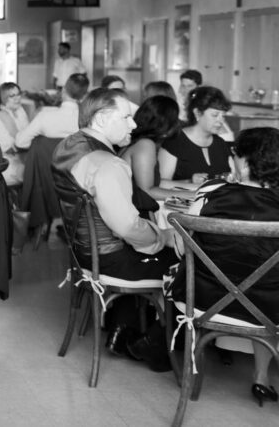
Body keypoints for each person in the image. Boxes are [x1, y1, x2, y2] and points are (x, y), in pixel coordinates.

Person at [51, 88, 177, 371]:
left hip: (83, 254)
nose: (134, 124)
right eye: (126, 117)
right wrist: (163, 238)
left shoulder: (68, 146)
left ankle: (134, 330)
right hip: (112, 258)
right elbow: (127, 227)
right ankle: (155, 343)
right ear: (101, 119)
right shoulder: (108, 163)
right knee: (189, 265)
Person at [169, 128, 279, 405]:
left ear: (243, 163)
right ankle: (261, 379)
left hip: (203, 301)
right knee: (263, 285)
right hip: (270, 309)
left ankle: (189, 373)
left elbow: (184, 250)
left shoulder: (211, 191)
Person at [120, 96, 192, 202]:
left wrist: (191, 184)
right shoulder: (145, 145)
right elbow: (147, 191)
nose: (177, 124)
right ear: (165, 122)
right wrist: (191, 195)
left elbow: (155, 183)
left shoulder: (138, 141)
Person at [159, 86, 233, 183]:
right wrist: (189, 181)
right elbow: (161, 184)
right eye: (215, 115)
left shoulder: (220, 143)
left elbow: (231, 176)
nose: (220, 121)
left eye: (223, 116)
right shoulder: (175, 141)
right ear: (197, 113)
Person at [15, 73, 90, 150]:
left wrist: (38, 142)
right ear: (84, 96)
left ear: (63, 90)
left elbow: (20, 142)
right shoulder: (89, 121)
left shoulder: (44, 117)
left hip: (48, 161)